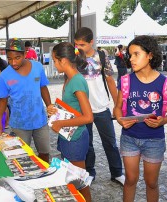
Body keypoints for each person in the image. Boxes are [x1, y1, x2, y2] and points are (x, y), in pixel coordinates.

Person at [114, 35, 166, 202]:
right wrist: (120, 119)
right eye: (130, 55)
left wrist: (163, 121)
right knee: (130, 180)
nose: (132, 59)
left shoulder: (164, 83)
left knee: (151, 183)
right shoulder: (125, 81)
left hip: (155, 140)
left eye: (136, 54)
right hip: (129, 138)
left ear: (150, 55)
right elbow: (117, 107)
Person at [74, 27, 125, 185]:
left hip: (102, 107)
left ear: (91, 42)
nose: (78, 48)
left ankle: (117, 172)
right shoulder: (75, 58)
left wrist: (118, 105)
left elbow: (110, 80)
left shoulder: (102, 56)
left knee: (110, 142)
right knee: (87, 145)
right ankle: (89, 173)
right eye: (76, 44)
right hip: (83, 110)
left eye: (82, 44)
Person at [0, 38, 51, 163]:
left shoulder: (37, 67)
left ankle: (44, 180)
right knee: (22, 157)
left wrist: (50, 106)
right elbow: (2, 100)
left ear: (25, 54)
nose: (13, 62)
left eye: (17, 58)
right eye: (9, 58)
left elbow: (43, 88)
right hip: (19, 123)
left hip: (40, 120)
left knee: (45, 153)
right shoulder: (5, 75)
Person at [47, 42, 93, 202]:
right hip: (68, 136)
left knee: (79, 181)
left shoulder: (77, 81)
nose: (53, 64)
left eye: (54, 60)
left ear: (64, 61)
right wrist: (55, 109)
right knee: (71, 179)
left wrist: (60, 124)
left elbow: (88, 117)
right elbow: (72, 108)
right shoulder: (69, 78)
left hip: (76, 137)